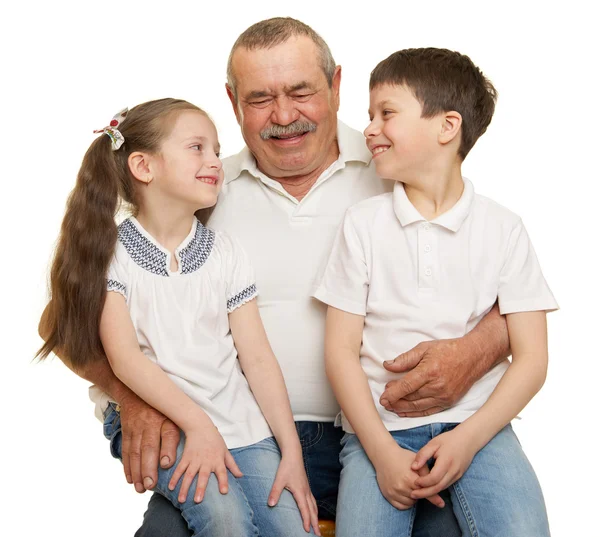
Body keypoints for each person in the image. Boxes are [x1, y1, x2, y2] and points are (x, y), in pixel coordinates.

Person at [40, 18, 511, 537]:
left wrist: (478, 347)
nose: (283, 116)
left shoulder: (399, 169)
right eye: (260, 98)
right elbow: (61, 325)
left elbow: (504, 292)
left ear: (335, 87)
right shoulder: (202, 190)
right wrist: (132, 397)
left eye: (301, 91)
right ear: (233, 100)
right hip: (237, 436)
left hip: (383, 436)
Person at [37, 98, 320, 537]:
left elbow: (259, 360)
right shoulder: (111, 254)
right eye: (197, 148)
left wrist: (291, 454)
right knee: (226, 522)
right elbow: (126, 360)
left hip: (242, 424)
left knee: (295, 526)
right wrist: (197, 425)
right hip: (176, 422)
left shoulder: (226, 253)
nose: (215, 161)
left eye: (216, 148)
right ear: (144, 167)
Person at [313, 48, 558, 536]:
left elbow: (532, 360)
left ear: (447, 127)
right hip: (376, 435)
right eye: (369, 116)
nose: (369, 129)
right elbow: (339, 353)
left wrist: (468, 439)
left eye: (387, 114)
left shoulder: (503, 229)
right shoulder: (362, 225)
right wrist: (381, 452)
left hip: (483, 430)